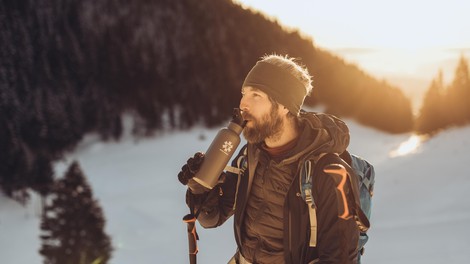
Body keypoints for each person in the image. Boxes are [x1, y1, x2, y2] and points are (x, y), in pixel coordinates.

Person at [178, 54, 359, 264]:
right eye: (243, 93)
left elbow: (341, 259)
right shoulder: (250, 155)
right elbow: (212, 218)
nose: (243, 104)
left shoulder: (329, 171)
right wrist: (199, 187)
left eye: (256, 95)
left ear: (284, 105)